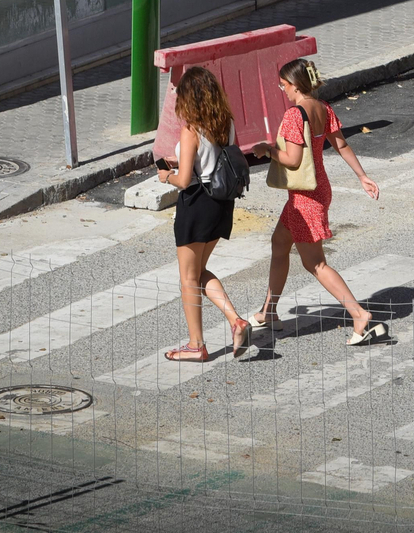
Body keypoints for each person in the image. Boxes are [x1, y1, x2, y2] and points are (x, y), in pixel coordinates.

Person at [247, 58, 387, 345]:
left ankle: (359, 315)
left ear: (295, 84)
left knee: (316, 263)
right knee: (279, 243)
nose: (282, 90)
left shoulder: (294, 115)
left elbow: (292, 160)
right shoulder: (323, 108)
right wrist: (362, 176)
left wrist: (267, 150)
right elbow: (342, 144)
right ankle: (269, 311)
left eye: (283, 85)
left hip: (305, 195)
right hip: (318, 187)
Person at [156, 66, 250, 362]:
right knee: (198, 273)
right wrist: (182, 160)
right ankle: (236, 320)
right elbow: (217, 160)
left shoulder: (191, 130)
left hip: (196, 204)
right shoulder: (227, 123)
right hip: (222, 204)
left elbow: (184, 181)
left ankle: (196, 345)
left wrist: (166, 176)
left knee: (188, 277)